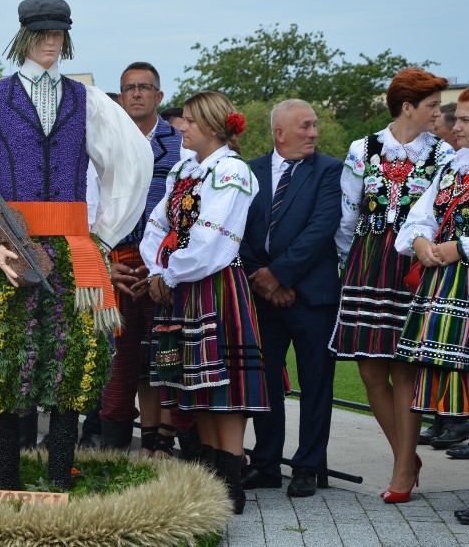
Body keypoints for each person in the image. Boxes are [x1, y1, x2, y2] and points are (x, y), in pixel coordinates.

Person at [0, 0, 152, 490]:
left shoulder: (89, 100)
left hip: (75, 249)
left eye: (59, 33)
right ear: (25, 36)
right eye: (43, 33)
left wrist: (102, 235)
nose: (52, 42)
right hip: (9, 246)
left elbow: (131, 164)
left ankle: (61, 479)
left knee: (73, 363)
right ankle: (4, 481)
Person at [141, 91, 268, 514]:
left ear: (214, 127)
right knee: (198, 385)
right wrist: (158, 270)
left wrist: (171, 271)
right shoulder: (184, 170)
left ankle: (231, 481)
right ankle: (212, 475)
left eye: (191, 120)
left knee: (224, 384)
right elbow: (157, 223)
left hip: (214, 285)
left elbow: (214, 239)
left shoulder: (231, 172)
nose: (183, 126)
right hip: (182, 284)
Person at [330, 69, 451, 503]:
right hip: (367, 261)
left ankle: (402, 467)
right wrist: (351, 263)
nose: (440, 114)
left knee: (404, 368)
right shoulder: (362, 149)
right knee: (369, 369)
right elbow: (346, 216)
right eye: (433, 106)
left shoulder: (443, 154)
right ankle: (406, 454)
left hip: (414, 263)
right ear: (407, 108)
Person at [238, 99, 343, 498]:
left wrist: (278, 275)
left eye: (314, 126)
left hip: (312, 297)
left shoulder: (330, 171)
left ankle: (307, 467)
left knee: (316, 384)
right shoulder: (250, 171)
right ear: (280, 133)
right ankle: (266, 464)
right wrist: (263, 281)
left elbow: (320, 231)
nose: (314, 133)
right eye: (306, 126)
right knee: (263, 382)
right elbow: (239, 229)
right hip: (263, 298)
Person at [100, 61, 187, 457]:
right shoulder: (104, 142)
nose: (135, 93)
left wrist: (161, 265)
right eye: (128, 88)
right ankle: (114, 454)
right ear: (120, 97)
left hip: (164, 265)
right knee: (119, 363)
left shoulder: (182, 144)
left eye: (144, 87)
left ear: (159, 96)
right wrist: (103, 261)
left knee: (166, 358)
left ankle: (165, 447)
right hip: (115, 259)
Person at [394, 89, 469, 519]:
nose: (454, 127)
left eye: (464, 120)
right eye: (455, 118)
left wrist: (460, 246)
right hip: (446, 285)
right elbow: (418, 217)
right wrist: (421, 241)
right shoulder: (453, 165)